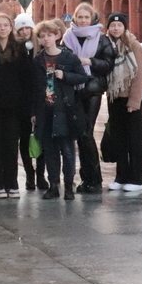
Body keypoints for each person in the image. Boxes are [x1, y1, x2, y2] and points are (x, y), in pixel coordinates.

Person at [62, 3, 115, 193]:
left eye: (86, 17)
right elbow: (63, 62)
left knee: (86, 133)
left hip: (92, 90)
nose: (83, 20)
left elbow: (108, 63)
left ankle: (95, 179)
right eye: (80, 17)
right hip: (74, 90)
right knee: (80, 135)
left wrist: (89, 61)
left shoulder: (101, 39)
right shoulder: (67, 38)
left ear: (92, 18)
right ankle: (87, 179)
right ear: (74, 18)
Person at [32, 20, 87, 200]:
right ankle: (53, 185)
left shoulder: (68, 57)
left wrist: (65, 76)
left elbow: (82, 77)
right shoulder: (38, 60)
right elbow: (32, 88)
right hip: (45, 111)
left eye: (50, 35)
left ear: (57, 36)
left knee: (67, 150)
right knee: (49, 151)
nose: (46, 39)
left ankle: (69, 186)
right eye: (43, 36)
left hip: (65, 110)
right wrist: (33, 112)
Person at [0, 12, 32, 198]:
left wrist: (26, 106)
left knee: (11, 144)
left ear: (11, 27)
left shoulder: (19, 48)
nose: (2, 28)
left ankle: (12, 183)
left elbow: (26, 79)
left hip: (14, 106)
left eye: (6, 25)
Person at [104, 13, 142, 192]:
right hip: (114, 98)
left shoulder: (133, 45)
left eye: (119, 25)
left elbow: (140, 74)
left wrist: (134, 101)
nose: (116, 28)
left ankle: (137, 179)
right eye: (112, 25)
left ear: (125, 27)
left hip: (130, 100)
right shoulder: (106, 45)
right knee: (119, 140)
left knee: (135, 141)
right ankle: (121, 177)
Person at [15, 13, 46, 191]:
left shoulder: (40, 48)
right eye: (21, 29)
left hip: (40, 100)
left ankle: (41, 175)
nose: (25, 31)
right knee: (25, 140)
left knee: (41, 138)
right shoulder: (15, 49)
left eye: (27, 28)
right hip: (21, 102)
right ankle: (29, 175)